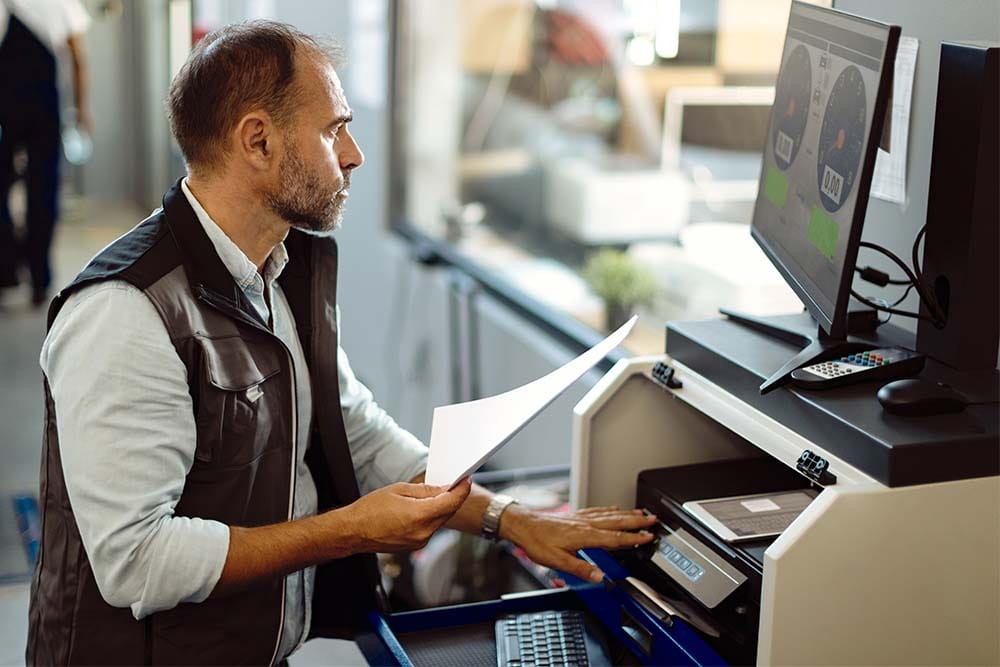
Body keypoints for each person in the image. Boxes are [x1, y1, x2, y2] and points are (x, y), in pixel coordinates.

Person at [27, 21, 655, 665]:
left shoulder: (283, 269)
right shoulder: (125, 311)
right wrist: (351, 531)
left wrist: (513, 520)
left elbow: (354, 429)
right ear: (258, 140)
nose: (353, 153)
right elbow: (136, 562)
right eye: (333, 130)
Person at [0, 0, 91, 306]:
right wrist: (81, 109)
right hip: (44, 105)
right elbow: (78, 58)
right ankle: (40, 277)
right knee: (43, 189)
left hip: (6, 106)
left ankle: (7, 267)